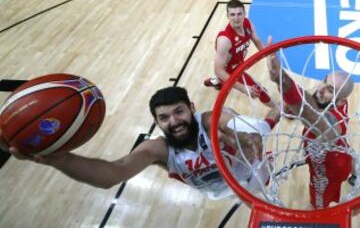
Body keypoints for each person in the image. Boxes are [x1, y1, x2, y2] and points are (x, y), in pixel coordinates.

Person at [0, 86, 279, 200]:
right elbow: (112, 174)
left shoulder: (208, 119)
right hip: (218, 191)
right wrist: (59, 159)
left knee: (264, 127)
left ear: (191, 108)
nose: (174, 121)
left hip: (254, 174)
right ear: (156, 122)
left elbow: (228, 119)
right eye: (164, 117)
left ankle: (279, 108)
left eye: (179, 111)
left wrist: (245, 134)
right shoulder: (158, 149)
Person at [267, 37, 354, 209]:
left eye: (331, 90)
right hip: (340, 154)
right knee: (347, 150)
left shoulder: (331, 125)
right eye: (324, 81)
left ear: (340, 100)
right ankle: (356, 173)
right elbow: (306, 103)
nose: (321, 89)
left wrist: (281, 79)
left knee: (317, 207)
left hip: (327, 172)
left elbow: (312, 115)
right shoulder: (332, 101)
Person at [204, 0, 275, 108]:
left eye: (239, 14)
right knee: (259, 91)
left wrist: (270, 55)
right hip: (231, 70)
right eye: (232, 14)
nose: (236, 18)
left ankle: (216, 82)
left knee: (223, 79)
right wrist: (244, 89)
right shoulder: (225, 40)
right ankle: (281, 110)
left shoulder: (247, 23)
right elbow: (218, 70)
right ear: (227, 16)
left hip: (239, 62)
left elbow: (258, 42)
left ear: (244, 13)